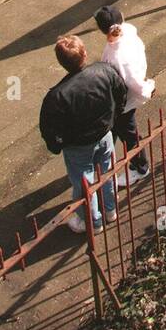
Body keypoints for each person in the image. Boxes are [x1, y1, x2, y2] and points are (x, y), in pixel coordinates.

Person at [39, 34, 126, 234]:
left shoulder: (57, 96)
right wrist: (112, 118)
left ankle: (92, 222)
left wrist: (56, 146)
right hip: (104, 135)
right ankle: (111, 210)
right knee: (107, 172)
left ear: (61, 63)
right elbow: (120, 93)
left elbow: (49, 129)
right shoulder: (104, 71)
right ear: (84, 53)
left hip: (78, 146)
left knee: (84, 183)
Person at [95, 5, 155, 187]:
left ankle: (140, 168)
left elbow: (133, 80)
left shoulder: (117, 56)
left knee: (129, 133)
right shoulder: (128, 34)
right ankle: (105, 158)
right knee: (116, 129)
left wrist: (147, 88)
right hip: (124, 98)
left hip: (124, 101)